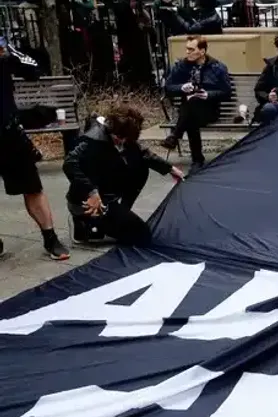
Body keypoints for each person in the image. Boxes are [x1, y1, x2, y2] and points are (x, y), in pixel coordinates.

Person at [63, 105, 184, 247]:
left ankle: (117, 215)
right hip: (87, 200)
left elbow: (143, 153)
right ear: (111, 128)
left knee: (140, 165)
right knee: (140, 235)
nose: (122, 142)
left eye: (126, 139)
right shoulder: (90, 139)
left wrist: (170, 169)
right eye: (119, 138)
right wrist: (91, 192)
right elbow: (69, 165)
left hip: (106, 193)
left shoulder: (122, 135)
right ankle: (84, 222)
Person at [0, 36, 69, 260]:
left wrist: (8, 55)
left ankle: (50, 238)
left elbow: (33, 69)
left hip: (8, 131)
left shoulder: (3, 48)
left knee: (32, 187)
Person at [160, 35, 232, 170]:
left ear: (202, 51)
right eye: (187, 49)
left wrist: (208, 95)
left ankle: (178, 139)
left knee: (191, 107)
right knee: (191, 114)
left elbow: (227, 92)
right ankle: (196, 160)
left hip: (209, 110)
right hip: (188, 111)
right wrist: (181, 88)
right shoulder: (181, 66)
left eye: (191, 49)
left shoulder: (217, 67)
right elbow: (168, 87)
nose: (187, 52)